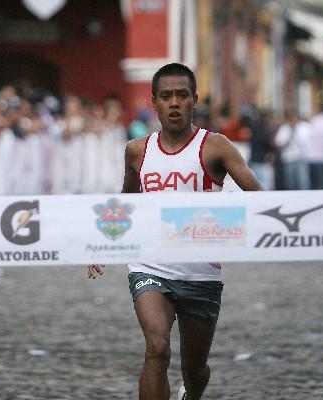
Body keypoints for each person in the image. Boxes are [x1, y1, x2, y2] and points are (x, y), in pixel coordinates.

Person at [87, 63, 262, 400]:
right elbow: (126, 204)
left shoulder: (216, 147)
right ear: (154, 102)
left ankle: (191, 394)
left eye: (182, 95)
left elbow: (259, 199)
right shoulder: (137, 151)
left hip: (201, 273)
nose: (174, 103)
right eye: (166, 96)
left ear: (195, 99)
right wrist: (103, 245)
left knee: (194, 370)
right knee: (157, 348)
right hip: (149, 267)